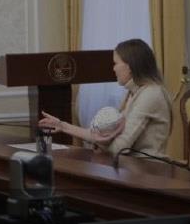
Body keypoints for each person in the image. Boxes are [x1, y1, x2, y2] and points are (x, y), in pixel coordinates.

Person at [38, 38, 171, 157]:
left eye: (116, 63)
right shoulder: (134, 93)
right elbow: (103, 137)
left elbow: (120, 148)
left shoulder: (150, 94)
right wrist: (61, 125)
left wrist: (99, 144)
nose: (113, 69)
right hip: (132, 166)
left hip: (149, 169)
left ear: (130, 66)